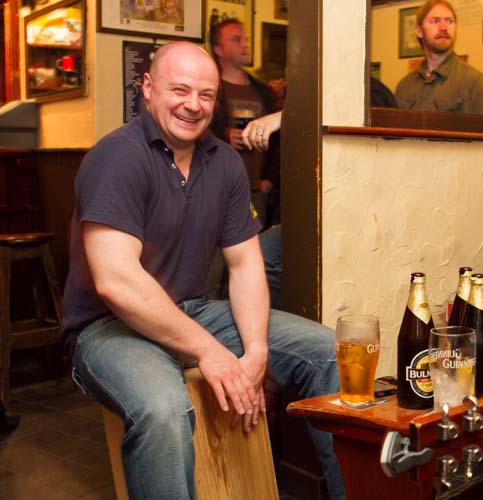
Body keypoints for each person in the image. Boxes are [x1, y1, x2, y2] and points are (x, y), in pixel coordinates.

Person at [61, 42, 344, 500]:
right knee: (162, 407)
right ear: (148, 89)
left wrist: (254, 352)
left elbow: (246, 262)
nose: (193, 105)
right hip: (106, 328)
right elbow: (116, 283)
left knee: (331, 352)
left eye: (206, 95)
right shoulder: (117, 157)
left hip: (188, 310)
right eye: (180, 90)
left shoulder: (224, 162)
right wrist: (211, 353)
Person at [209, 19, 281, 228]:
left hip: (256, 192)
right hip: (217, 189)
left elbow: (279, 140)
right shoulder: (211, 88)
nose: (245, 44)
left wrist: (269, 181)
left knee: (255, 255)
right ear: (218, 49)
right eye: (236, 39)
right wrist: (224, 136)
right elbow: (193, 131)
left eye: (246, 39)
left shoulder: (264, 91)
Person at [394, 0, 483, 114]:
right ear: (420, 31)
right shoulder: (404, 87)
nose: (444, 27)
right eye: (435, 21)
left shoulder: (475, 83)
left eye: (449, 21)